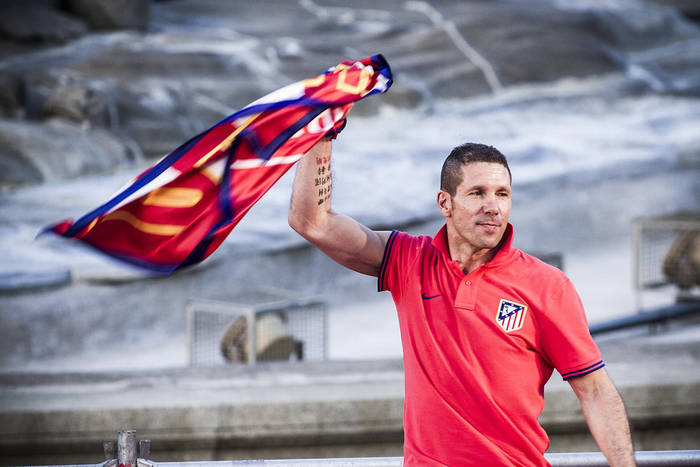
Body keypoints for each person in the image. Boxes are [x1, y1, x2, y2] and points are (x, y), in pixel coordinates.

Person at [288, 135, 636, 466]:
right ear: (445, 203)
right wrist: (322, 136)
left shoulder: (547, 285)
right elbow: (312, 222)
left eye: (502, 194)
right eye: (477, 193)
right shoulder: (409, 260)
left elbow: (595, 391)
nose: (493, 207)